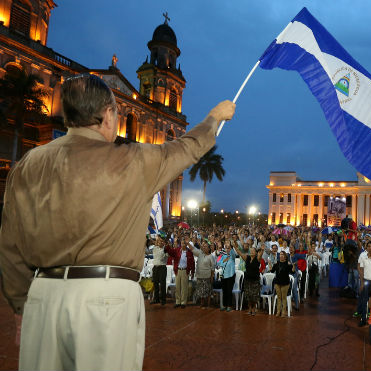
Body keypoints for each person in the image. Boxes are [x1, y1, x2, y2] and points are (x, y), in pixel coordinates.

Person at [0, 73, 236, 370]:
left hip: (44, 296)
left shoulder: (28, 164)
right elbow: (188, 147)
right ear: (109, 115)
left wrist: (23, 304)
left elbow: (9, 246)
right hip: (107, 298)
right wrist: (214, 118)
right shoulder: (135, 160)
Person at [235, 244, 263, 315]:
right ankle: (250, 308)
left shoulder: (257, 258)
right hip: (247, 279)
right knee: (248, 295)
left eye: (253, 251)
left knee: (254, 296)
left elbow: (261, 254)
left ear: (256, 252)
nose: (252, 252)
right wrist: (235, 247)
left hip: (255, 280)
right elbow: (239, 253)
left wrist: (262, 249)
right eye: (251, 250)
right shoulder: (246, 258)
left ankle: (254, 308)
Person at [166, 239, 195, 308]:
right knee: (177, 287)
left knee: (184, 287)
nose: (183, 245)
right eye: (182, 243)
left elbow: (192, 263)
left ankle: (183, 302)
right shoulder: (177, 250)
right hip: (178, 270)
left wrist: (192, 272)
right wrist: (168, 246)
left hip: (185, 271)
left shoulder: (189, 252)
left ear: (186, 244)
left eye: (184, 243)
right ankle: (178, 301)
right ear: (180, 244)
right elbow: (170, 252)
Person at [270, 251, 295, 317]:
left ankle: (283, 311)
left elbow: (292, 272)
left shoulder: (288, 263)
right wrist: (270, 264)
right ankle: (278, 311)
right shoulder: (277, 263)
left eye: (282, 255)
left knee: (283, 298)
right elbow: (272, 271)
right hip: (277, 282)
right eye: (280, 254)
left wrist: (293, 266)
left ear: (285, 256)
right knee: (279, 297)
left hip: (285, 283)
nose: (281, 256)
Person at [192, 242, 216, 308]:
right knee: (201, 290)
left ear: (209, 249)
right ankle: (202, 303)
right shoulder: (200, 254)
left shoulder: (211, 256)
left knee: (207, 291)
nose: (204, 248)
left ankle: (208, 304)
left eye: (206, 247)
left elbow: (213, 267)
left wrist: (211, 276)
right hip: (200, 275)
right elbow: (193, 249)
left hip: (207, 276)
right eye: (203, 246)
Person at [217, 241, 237, 312]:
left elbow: (233, 254)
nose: (227, 249)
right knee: (224, 291)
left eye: (228, 248)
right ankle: (224, 305)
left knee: (229, 291)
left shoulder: (232, 255)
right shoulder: (223, 256)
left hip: (230, 275)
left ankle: (229, 305)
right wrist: (225, 260)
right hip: (223, 275)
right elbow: (218, 263)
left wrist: (231, 247)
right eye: (226, 248)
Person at [151, 236, 168, 305]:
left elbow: (166, 256)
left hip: (162, 268)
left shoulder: (166, 250)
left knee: (162, 284)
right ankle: (156, 299)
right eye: (159, 241)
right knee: (155, 284)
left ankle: (163, 300)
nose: (160, 242)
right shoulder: (155, 248)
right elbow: (153, 241)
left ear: (164, 243)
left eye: (161, 241)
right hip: (155, 268)